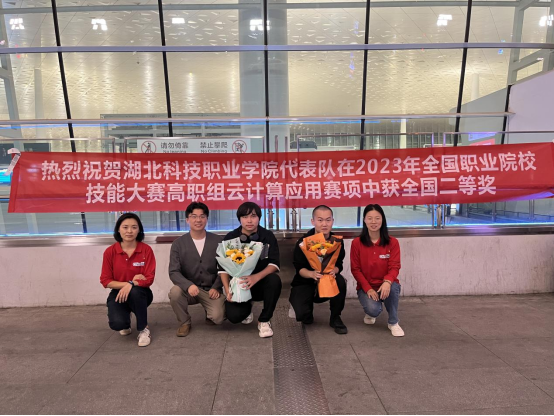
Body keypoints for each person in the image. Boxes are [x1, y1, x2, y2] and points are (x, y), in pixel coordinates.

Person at [220, 202, 282, 339]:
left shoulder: (267, 236)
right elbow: (222, 268)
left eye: (253, 216)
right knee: (234, 317)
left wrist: (256, 277)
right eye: (245, 217)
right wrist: (228, 290)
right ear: (239, 219)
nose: (249, 220)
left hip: (260, 282)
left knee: (274, 280)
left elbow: (274, 264)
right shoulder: (231, 237)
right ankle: (247, 308)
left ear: (259, 218)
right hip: (239, 285)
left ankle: (264, 320)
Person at [168, 202, 225, 338]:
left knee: (218, 318)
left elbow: (224, 267)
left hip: (210, 290)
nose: (198, 220)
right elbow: (174, 271)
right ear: (187, 220)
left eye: (202, 216)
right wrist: (188, 285)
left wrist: (216, 287)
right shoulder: (178, 244)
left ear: (206, 219)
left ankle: (209, 313)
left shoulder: (218, 241)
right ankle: (184, 322)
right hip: (189, 290)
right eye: (194, 216)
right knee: (175, 292)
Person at [290, 205, 348, 335]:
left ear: (333, 221)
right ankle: (307, 310)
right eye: (320, 220)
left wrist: (334, 270)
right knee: (303, 316)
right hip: (306, 281)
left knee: (340, 281)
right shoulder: (304, 242)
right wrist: (311, 274)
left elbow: (339, 264)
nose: (324, 224)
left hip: (328, 279)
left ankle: (335, 317)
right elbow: (299, 268)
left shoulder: (337, 241)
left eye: (328, 220)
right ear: (313, 221)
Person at [100, 213, 156, 347]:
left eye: (134, 227)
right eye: (125, 227)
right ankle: (126, 318)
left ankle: (144, 329)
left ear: (139, 230)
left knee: (135, 292)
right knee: (118, 324)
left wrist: (133, 284)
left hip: (141, 293)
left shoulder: (146, 250)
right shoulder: (110, 252)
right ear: (118, 229)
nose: (129, 231)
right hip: (118, 292)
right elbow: (106, 281)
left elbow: (149, 279)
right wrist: (129, 283)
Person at [350, 204, 404, 337]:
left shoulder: (393, 242)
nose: (373, 222)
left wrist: (387, 281)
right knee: (374, 310)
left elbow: (395, 266)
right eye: (370, 218)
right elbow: (355, 269)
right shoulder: (357, 243)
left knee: (393, 287)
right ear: (364, 220)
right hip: (367, 286)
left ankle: (393, 322)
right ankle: (371, 311)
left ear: (382, 220)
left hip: (386, 284)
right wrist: (368, 289)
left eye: (377, 218)